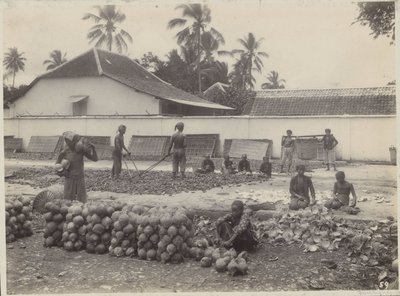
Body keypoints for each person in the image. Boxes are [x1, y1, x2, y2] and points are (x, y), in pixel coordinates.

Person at [56, 131, 98, 203]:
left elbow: (95, 159)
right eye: (73, 141)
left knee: (82, 202)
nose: (75, 143)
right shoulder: (64, 152)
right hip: (69, 179)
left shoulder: (81, 150)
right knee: (67, 202)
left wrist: (93, 149)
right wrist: (63, 172)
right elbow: (57, 166)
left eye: (76, 141)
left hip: (80, 179)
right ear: (67, 141)